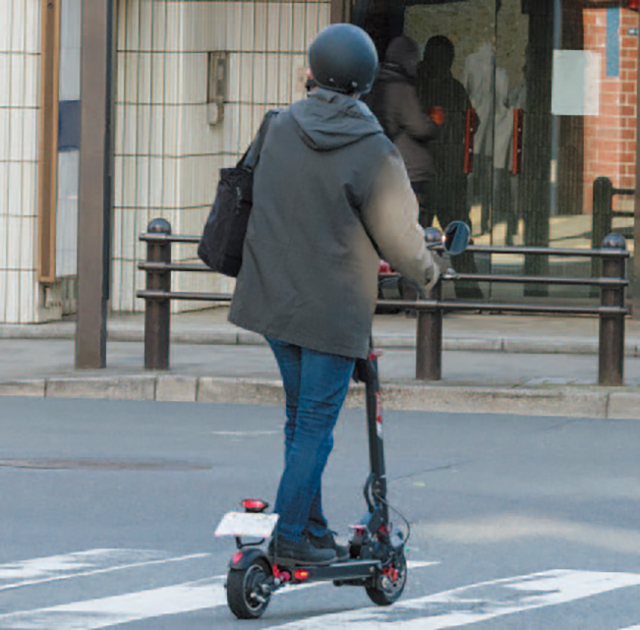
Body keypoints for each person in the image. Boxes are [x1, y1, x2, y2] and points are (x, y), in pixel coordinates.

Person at [228, 24, 441, 566]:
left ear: (313, 71)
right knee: (315, 424)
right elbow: (401, 238)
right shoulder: (372, 149)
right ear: (364, 82)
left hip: (273, 296)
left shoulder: (277, 126)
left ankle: (314, 526)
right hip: (330, 308)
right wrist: (431, 269)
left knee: (301, 421)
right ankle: (293, 533)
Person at [416, 35, 483, 300]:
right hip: (442, 171)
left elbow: (471, 121)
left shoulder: (422, 86)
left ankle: (412, 289)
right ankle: (468, 289)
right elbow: (472, 122)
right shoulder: (448, 87)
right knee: (456, 232)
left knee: (420, 235)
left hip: (431, 172)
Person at [366, 36, 443, 229]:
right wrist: (434, 120)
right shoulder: (400, 87)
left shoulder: (375, 85)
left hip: (383, 170)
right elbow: (420, 127)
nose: (416, 65)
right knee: (414, 228)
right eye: (414, 59)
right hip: (411, 172)